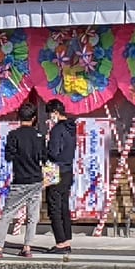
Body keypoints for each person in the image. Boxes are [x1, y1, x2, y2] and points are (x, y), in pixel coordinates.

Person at [0, 102, 45, 259]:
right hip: (36, 180)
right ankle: (27, 247)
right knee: (33, 216)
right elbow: (44, 157)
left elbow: (9, 156)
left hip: (20, 180)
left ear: (19, 117)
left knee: (8, 213)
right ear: (34, 118)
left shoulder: (13, 135)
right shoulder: (40, 136)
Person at [44, 98, 77, 255]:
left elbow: (54, 152)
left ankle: (60, 242)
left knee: (54, 207)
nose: (50, 117)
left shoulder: (57, 130)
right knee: (64, 206)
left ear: (55, 112)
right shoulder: (72, 128)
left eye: (50, 114)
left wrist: (46, 146)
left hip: (56, 170)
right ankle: (67, 239)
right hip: (68, 170)